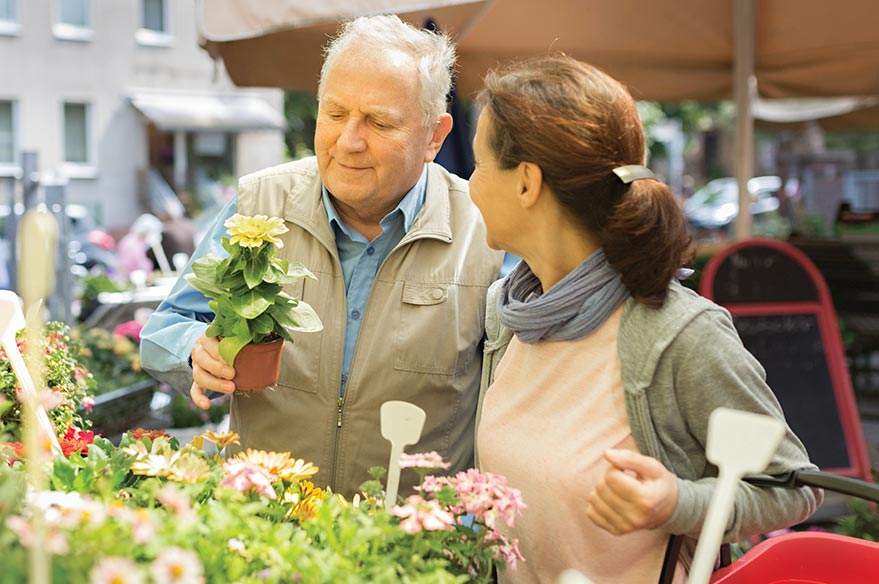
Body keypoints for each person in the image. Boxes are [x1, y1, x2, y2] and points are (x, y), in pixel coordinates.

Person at [470, 56, 821, 583]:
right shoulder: (510, 316)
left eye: (477, 165)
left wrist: (677, 502)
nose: (469, 185)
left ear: (526, 183)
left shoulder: (678, 333)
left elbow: (796, 486)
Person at [140, 15, 504, 497]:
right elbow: (162, 331)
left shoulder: (486, 229)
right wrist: (195, 351)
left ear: (434, 137)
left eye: (379, 121)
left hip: (412, 545)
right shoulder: (257, 206)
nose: (348, 141)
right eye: (335, 113)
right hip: (269, 529)